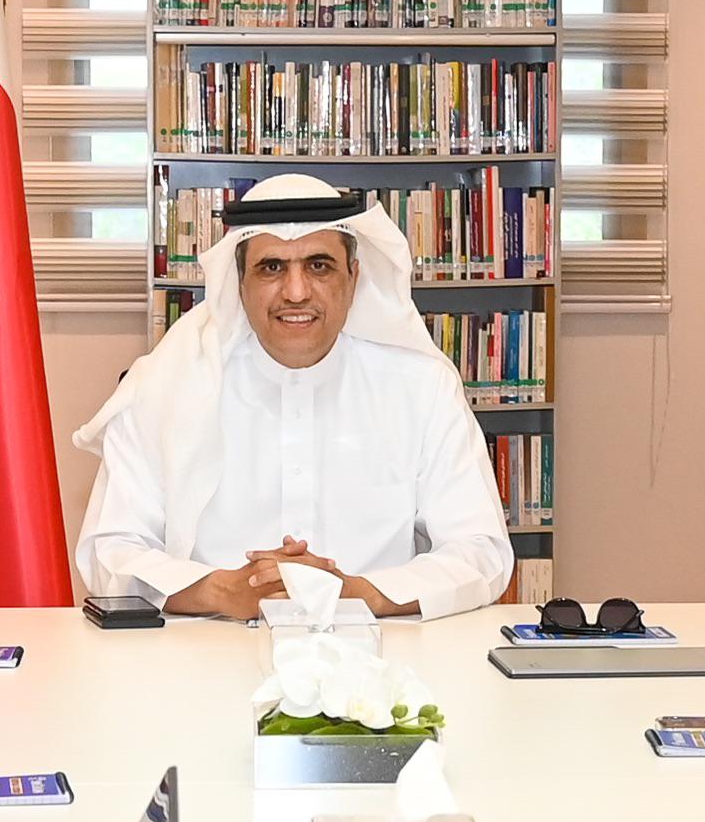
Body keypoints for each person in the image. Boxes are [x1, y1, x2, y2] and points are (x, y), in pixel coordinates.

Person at [71, 171, 514, 619]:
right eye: (272, 268)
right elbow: (110, 551)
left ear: (354, 277)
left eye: (319, 266)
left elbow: (482, 552)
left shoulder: (421, 387)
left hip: (381, 649)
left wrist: (357, 594)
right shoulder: (164, 388)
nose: (296, 292)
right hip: (208, 646)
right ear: (239, 283)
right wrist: (223, 592)